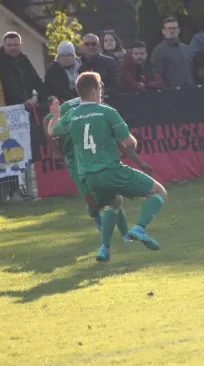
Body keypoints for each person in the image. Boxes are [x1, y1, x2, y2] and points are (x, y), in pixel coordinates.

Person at [47, 72, 167, 262]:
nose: (101, 92)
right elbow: (129, 144)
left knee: (114, 203)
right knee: (159, 192)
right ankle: (139, 228)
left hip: (90, 177)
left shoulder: (71, 114)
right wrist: (131, 141)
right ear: (94, 91)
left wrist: (55, 115)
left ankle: (104, 248)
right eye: (100, 88)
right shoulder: (106, 111)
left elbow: (52, 132)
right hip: (111, 170)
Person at [43, 93, 152, 242]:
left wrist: (139, 162)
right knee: (94, 204)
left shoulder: (104, 110)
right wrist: (55, 148)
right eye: (97, 89)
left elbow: (120, 140)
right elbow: (47, 121)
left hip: (97, 158)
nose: (100, 94)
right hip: (75, 160)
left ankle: (126, 235)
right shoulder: (70, 107)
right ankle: (95, 213)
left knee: (113, 195)